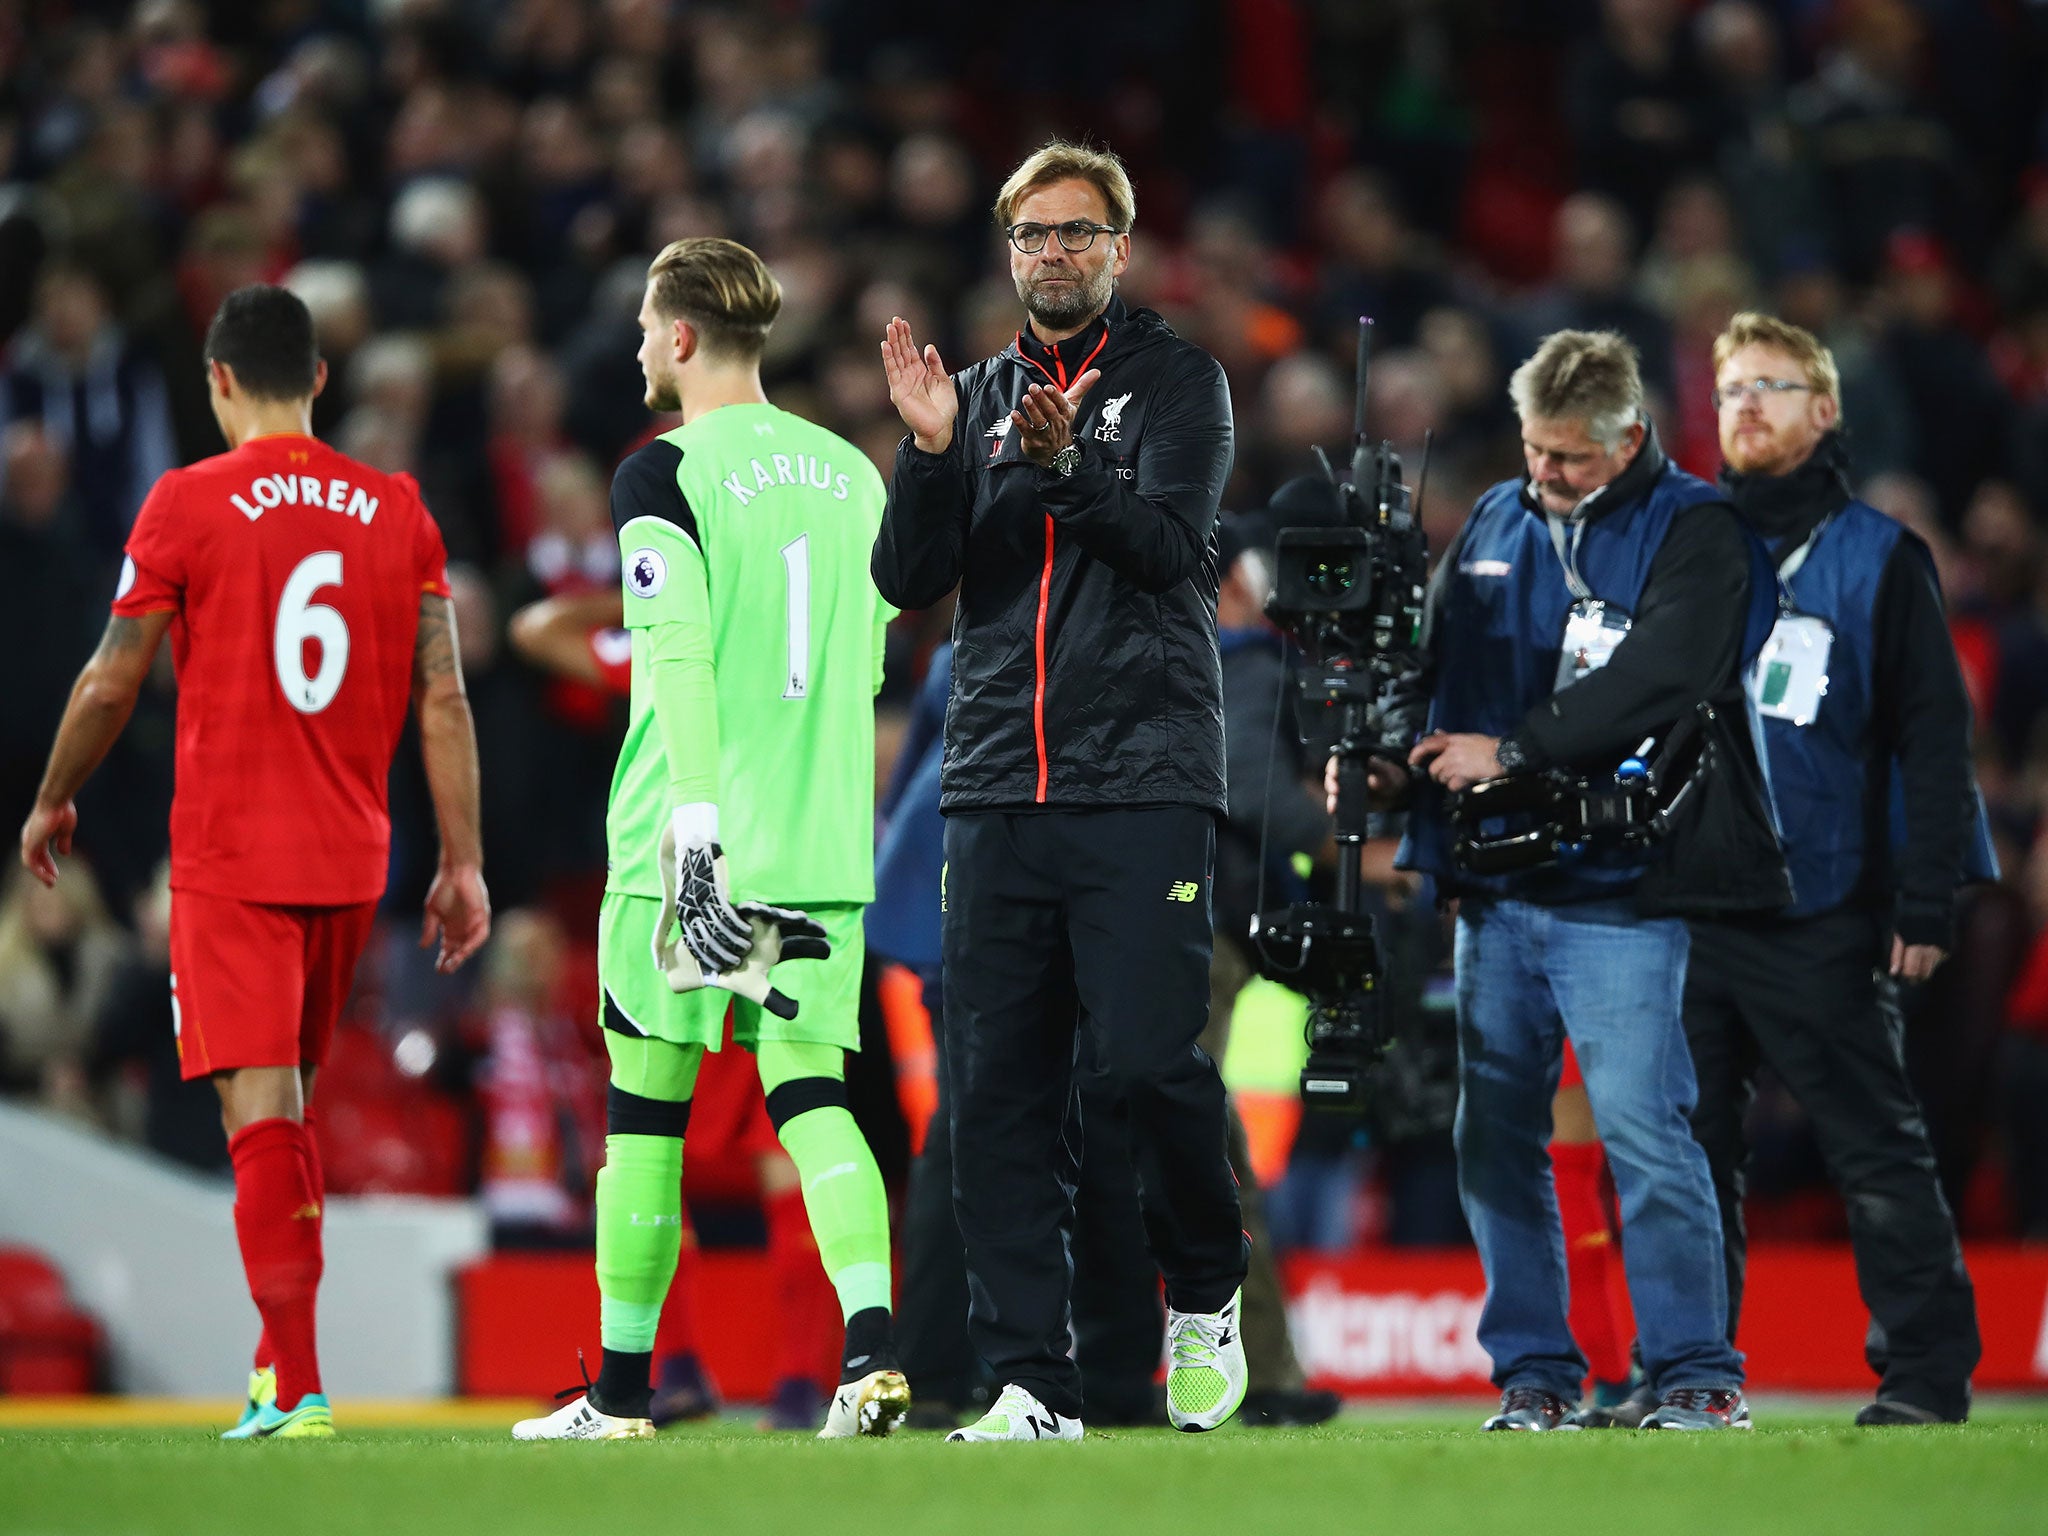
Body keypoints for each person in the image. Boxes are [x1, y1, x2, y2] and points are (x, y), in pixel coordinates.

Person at [17, 283, 491, 1440]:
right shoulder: (398, 509)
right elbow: (444, 694)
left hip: (232, 853)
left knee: (262, 1110)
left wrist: (51, 799)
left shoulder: (186, 502)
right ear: (321, 380)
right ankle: (285, 1369)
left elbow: (111, 676)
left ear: (220, 380)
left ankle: (293, 1376)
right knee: (293, 1108)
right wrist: (462, 862)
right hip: (352, 857)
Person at [872, 139, 1249, 1441]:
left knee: (1149, 1069)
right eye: (1034, 235)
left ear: (1122, 247)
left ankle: (1206, 1287)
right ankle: (1032, 1379)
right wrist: (929, 456)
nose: (1056, 254)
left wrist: (1069, 468)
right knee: (996, 1096)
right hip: (992, 786)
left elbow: (1175, 555)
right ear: (1011, 251)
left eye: (1080, 232)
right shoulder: (969, 396)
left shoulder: (1180, 384)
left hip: (1141, 774)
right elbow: (907, 582)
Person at [513, 237, 906, 1442]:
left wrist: (694, 829)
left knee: (646, 1115)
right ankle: (872, 1357)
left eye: (644, 326)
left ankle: (621, 1396)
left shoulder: (660, 474)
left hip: (694, 845)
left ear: (680, 337)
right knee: (813, 1100)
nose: (637, 347)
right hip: (825, 844)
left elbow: (670, 657)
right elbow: (873, 661)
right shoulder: (855, 476)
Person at [1365, 328, 1787, 1431]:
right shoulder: (1501, 518)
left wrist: (1509, 751)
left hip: (1620, 888)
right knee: (1492, 1133)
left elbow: (1664, 673)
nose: (1543, 476)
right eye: (1532, 450)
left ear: (1630, 437)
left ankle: (1694, 1370)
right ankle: (1535, 1378)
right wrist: (1389, 750)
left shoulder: (1693, 527)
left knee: (1644, 1129)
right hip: (1496, 892)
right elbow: (1431, 660)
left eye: (1568, 458)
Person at [1685, 311, 1990, 1425]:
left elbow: (1932, 735)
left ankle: (1922, 1377)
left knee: (1871, 1147)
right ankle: (1690, 1373)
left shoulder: (1880, 557)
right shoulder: (1683, 545)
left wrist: (1923, 895)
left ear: (1824, 412)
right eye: (1728, 391)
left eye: (1770, 387)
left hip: (1823, 904)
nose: (1746, 407)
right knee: (1681, 1155)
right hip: (1687, 897)